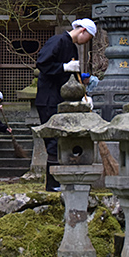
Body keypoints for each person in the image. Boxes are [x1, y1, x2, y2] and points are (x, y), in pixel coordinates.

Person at [36, 19, 96, 191]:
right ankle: (52, 184)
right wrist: (63, 67)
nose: (87, 41)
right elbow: (42, 63)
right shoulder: (57, 41)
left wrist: (83, 96)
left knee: (62, 140)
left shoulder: (73, 48)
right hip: (48, 98)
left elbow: (74, 77)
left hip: (61, 99)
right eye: (89, 37)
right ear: (82, 31)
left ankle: (61, 180)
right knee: (53, 140)